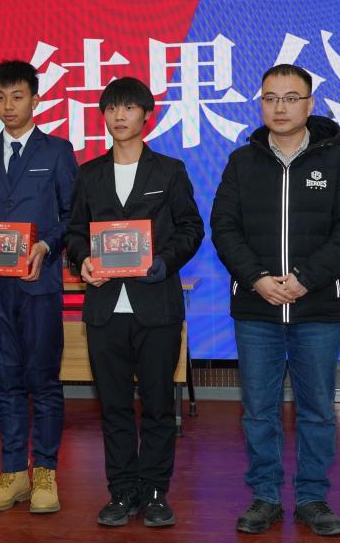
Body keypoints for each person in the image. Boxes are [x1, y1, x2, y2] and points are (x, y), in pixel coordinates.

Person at [210, 64, 340, 536]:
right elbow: (224, 228)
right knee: (259, 410)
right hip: (256, 308)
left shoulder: (338, 162)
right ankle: (265, 496)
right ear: (261, 104)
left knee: (317, 409)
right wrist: (257, 278)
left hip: (316, 307)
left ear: (310, 104)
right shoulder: (242, 162)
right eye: (270, 98)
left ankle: (313, 497)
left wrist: (305, 278)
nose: (280, 107)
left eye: (291, 98)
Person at [64, 77, 204, 528]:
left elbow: (191, 228)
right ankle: (122, 491)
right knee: (115, 406)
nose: (119, 116)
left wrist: (164, 262)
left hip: (156, 306)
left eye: (128, 108)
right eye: (111, 108)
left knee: (160, 405)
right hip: (105, 308)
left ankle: (156, 491)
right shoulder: (89, 174)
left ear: (146, 115)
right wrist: (83, 260)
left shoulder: (169, 171)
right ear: (103, 116)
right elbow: (73, 232)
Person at [0, 60, 78, 514]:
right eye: (0, 97)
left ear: (35, 99)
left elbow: (72, 215)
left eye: (17, 97)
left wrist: (46, 246)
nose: (8, 106)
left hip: (39, 285)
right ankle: (13, 473)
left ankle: (45, 471)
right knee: (6, 380)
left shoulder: (58, 151)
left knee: (43, 381)